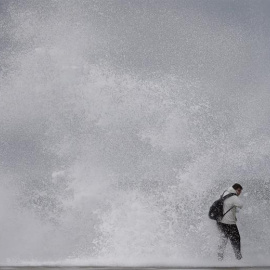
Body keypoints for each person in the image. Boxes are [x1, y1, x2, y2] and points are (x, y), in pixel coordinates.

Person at [217, 183, 243, 261]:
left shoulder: (225, 193)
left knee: (224, 238)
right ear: (235, 189)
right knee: (236, 238)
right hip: (229, 222)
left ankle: (219, 257)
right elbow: (241, 205)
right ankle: (238, 258)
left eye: (240, 191)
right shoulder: (234, 197)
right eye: (238, 190)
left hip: (220, 221)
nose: (239, 192)